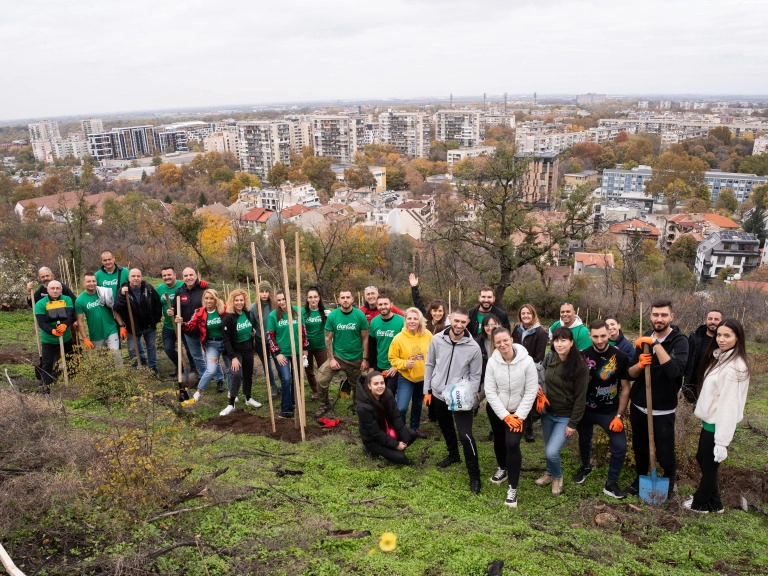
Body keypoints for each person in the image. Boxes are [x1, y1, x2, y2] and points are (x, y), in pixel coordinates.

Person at [626, 299, 689, 498]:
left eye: (663, 315)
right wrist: (640, 364)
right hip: (639, 405)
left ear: (671, 317)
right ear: (650, 316)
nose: (659, 319)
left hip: (663, 407)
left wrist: (655, 344)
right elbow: (631, 373)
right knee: (640, 446)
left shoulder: (680, 341)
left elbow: (674, 372)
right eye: (655, 315)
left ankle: (669, 479)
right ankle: (640, 477)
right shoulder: (644, 338)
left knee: (665, 450)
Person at [686, 319, 749, 514]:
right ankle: (716, 503)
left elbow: (729, 406)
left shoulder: (734, 368)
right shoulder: (722, 358)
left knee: (709, 465)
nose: (721, 339)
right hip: (710, 421)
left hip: (718, 424)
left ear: (737, 338)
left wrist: (722, 441)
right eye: (719, 335)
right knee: (703, 459)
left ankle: (700, 504)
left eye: (727, 335)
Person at [424, 307, 484, 493]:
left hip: (459, 397)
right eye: (456, 321)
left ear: (467, 323)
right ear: (450, 319)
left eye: (463, 322)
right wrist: (427, 389)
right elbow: (430, 363)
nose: (459, 325)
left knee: (465, 435)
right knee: (446, 427)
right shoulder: (437, 340)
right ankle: (453, 455)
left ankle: (475, 476)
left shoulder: (473, 347)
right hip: (439, 393)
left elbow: (476, 376)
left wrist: (470, 400)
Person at [575, 319, 631, 499]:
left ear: (609, 334)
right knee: (584, 439)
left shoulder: (620, 357)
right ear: (590, 336)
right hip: (586, 409)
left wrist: (619, 415)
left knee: (620, 446)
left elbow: (626, 388)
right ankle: (585, 467)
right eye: (595, 336)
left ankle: (611, 483)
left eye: (603, 336)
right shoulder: (582, 356)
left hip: (609, 411)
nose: (600, 340)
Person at [484, 327, 539, 508]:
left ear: (511, 339)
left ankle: (512, 488)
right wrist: (505, 416)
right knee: (499, 440)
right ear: (494, 343)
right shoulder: (492, 362)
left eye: (505, 340)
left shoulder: (527, 361)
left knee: (513, 443)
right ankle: (503, 468)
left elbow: (531, 391)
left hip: (519, 411)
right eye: (498, 342)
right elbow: (490, 391)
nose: (502, 344)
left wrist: (518, 416)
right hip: (497, 410)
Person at [535, 327, 589, 496]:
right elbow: (540, 374)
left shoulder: (580, 366)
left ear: (572, 342)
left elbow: (581, 398)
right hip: (548, 413)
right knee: (547, 448)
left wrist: (573, 423)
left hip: (565, 416)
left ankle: (557, 476)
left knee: (552, 451)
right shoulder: (550, 357)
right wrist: (538, 386)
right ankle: (550, 473)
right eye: (557, 340)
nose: (559, 344)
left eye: (564, 340)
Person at [314, 289, 369, 417]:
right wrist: (331, 359)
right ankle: (324, 405)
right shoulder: (333, 316)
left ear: (352, 299)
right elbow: (328, 338)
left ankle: (357, 406)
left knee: (357, 385)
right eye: (342, 297)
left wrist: (365, 359)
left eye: (347, 297)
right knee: (321, 379)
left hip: (355, 358)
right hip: (338, 357)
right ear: (338, 300)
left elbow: (365, 338)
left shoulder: (359, 315)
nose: (345, 300)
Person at [175, 268, 225, 392]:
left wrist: (207, 285)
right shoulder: (180, 291)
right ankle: (205, 377)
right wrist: (174, 314)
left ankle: (219, 380)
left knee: (213, 358)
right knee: (197, 356)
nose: (188, 278)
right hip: (190, 329)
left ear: (196, 275)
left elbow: (213, 296)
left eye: (191, 275)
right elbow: (176, 310)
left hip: (206, 330)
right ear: (182, 277)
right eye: (185, 275)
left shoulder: (204, 287)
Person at [388, 307, 432, 440]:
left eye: (415, 318)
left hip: (423, 377)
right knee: (401, 406)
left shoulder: (428, 335)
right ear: (405, 320)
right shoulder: (398, 338)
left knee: (418, 404)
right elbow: (392, 358)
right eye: (409, 318)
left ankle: (414, 428)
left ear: (420, 321)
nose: (412, 321)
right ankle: (401, 429)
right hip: (406, 377)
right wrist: (404, 364)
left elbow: (435, 352)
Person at [178, 288, 227, 406]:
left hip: (226, 343)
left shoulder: (223, 310)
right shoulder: (199, 312)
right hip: (211, 345)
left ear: (216, 300)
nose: (209, 301)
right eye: (206, 298)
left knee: (230, 370)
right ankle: (198, 393)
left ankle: (232, 393)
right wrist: (182, 323)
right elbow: (190, 326)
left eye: (211, 298)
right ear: (203, 300)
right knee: (211, 369)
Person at [356, 371, 416, 465]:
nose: (380, 386)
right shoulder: (363, 407)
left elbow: (396, 417)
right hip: (373, 439)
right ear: (369, 386)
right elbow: (375, 433)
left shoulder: (387, 393)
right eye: (376, 384)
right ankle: (369, 449)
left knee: (411, 434)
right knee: (401, 458)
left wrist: (404, 439)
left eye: (382, 383)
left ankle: (392, 451)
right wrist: (396, 445)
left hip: (388, 430)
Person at [267, 290, 308, 419]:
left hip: (296, 350)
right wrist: (277, 353)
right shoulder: (273, 315)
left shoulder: (297, 311)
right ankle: (286, 409)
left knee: (297, 376)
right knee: (286, 378)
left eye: (284, 299)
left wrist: (305, 348)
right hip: (282, 352)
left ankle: (294, 400)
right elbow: (270, 336)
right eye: (279, 300)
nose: (282, 302)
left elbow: (303, 330)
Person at [220, 289, 261, 416]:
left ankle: (248, 398)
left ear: (245, 301)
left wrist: (252, 334)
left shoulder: (247, 313)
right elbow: (226, 340)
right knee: (237, 374)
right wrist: (233, 357)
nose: (239, 303)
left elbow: (249, 329)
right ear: (232, 301)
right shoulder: (228, 318)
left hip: (248, 349)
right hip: (235, 351)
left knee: (248, 374)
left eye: (241, 300)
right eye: (236, 300)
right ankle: (231, 403)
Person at [114, 269, 162, 375]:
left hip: (149, 326)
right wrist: (122, 295)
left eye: (138, 276)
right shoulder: (123, 290)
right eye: (133, 276)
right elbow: (117, 308)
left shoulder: (148, 288)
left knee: (151, 347)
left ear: (141, 277)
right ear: (129, 278)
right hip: (133, 326)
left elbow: (157, 304)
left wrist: (155, 320)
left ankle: (153, 367)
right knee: (132, 349)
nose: (136, 278)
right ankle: (136, 367)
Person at [512, 303, 548, 442]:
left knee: (529, 398)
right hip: (515, 367)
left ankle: (529, 427)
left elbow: (539, 356)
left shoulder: (540, 332)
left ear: (533, 314)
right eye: (523, 314)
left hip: (532, 368)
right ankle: (517, 421)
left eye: (528, 313)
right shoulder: (517, 329)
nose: (526, 316)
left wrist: (524, 366)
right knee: (518, 396)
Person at [34, 280, 75, 392]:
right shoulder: (40, 304)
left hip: (66, 338)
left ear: (61, 290)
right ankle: (46, 388)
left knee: (70, 360)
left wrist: (65, 325)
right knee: (47, 364)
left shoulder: (67, 299)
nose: (55, 291)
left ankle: (72, 384)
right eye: (52, 288)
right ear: (47, 290)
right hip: (49, 340)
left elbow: (70, 315)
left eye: (58, 288)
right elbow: (42, 323)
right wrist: (53, 331)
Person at [75, 273, 122, 367]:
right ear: (83, 283)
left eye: (93, 281)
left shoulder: (104, 293)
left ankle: (121, 378)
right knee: (102, 360)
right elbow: (80, 321)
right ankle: (107, 379)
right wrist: (84, 338)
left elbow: (114, 309)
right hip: (96, 334)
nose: (91, 283)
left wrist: (121, 325)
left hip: (111, 329)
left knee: (116, 355)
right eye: (88, 281)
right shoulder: (80, 300)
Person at [683, 310, 723, 404]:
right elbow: (687, 361)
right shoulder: (695, 337)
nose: (712, 321)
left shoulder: (723, 341)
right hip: (693, 385)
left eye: (716, 319)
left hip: (714, 387)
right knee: (690, 414)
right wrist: (685, 385)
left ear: (721, 322)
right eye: (710, 319)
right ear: (706, 320)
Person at [367, 293, 405, 393]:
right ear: (377, 306)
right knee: (377, 392)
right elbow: (372, 345)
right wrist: (371, 367)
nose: (383, 307)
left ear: (391, 305)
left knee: (389, 393)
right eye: (380, 304)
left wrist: (396, 366)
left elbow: (406, 347)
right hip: (379, 365)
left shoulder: (401, 321)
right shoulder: (374, 322)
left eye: (385, 304)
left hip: (394, 366)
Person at [249, 280, 278, 398]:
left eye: (267, 291)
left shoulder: (275, 306)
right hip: (260, 341)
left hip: (275, 341)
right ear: (258, 293)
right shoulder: (254, 307)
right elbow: (251, 324)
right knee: (267, 365)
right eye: (262, 291)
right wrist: (252, 332)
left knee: (279, 363)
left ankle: (284, 383)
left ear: (270, 293)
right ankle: (274, 387)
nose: (264, 294)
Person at [155, 266, 184, 376]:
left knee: (188, 350)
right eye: (164, 275)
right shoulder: (160, 289)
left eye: (169, 274)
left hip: (183, 325)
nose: (167, 277)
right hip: (168, 325)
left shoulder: (182, 286)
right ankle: (179, 366)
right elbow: (155, 306)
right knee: (168, 348)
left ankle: (192, 369)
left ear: (175, 275)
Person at [304, 286, 329, 401]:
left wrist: (330, 317)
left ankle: (325, 393)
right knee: (309, 370)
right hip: (306, 347)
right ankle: (315, 391)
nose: (313, 299)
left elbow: (330, 328)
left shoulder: (324, 311)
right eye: (310, 297)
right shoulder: (303, 312)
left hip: (321, 346)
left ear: (319, 298)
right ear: (307, 299)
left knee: (324, 371)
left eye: (315, 297)